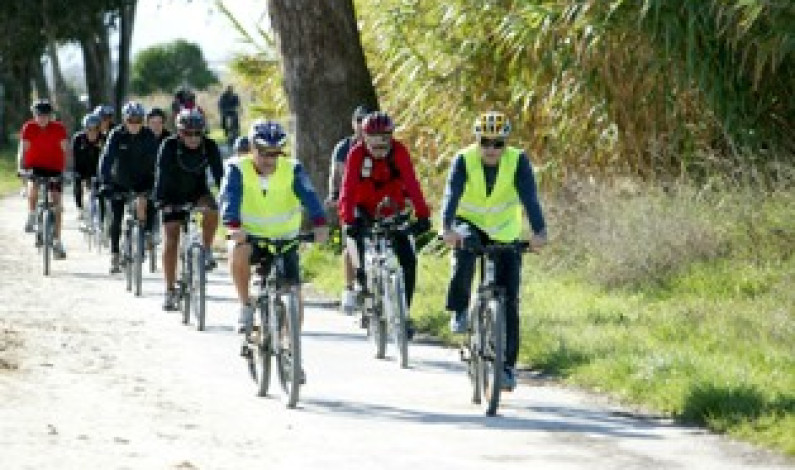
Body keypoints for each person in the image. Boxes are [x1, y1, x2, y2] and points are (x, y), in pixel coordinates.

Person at [440, 111, 547, 391]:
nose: (491, 149)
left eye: (497, 143)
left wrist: (539, 232)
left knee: (509, 300)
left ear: (505, 143)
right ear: (477, 140)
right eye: (485, 142)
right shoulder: (464, 159)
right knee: (464, 256)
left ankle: (507, 368)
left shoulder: (518, 161)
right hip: (469, 223)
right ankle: (460, 308)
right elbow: (451, 194)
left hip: (504, 231)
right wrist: (447, 227)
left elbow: (529, 197)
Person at [220, 119, 328, 334]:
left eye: (275, 153)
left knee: (294, 294)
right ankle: (245, 306)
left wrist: (320, 223)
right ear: (252, 148)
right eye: (264, 152)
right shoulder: (237, 168)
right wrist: (233, 227)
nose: (269, 159)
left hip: (285, 239)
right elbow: (229, 198)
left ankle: (291, 351)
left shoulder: (293, 169)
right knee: (237, 252)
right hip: (250, 237)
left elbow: (310, 196)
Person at [338, 111, 432, 338]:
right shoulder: (356, 154)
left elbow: (411, 182)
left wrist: (422, 215)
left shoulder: (399, 152)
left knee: (408, 258)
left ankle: (404, 314)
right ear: (364, 137)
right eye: (374, 141)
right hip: (363, 207)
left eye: (384, 140)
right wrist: (348, 219)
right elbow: (348, 190)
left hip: (392, 207)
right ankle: (361, 282)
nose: (380, 146)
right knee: (354, 240)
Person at [154, 109, 224, 311]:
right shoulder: (168, 146)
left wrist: (227, 198)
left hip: (197, 192)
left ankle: (207, 249)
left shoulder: (209, 146)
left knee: (212, 210)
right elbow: (161, 174)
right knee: (171, 237)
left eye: (197, 133)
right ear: (179, 132)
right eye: (188, 133)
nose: (193, 138)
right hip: (172, 195)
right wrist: (161, 200)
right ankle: (169, 290)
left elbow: (220, 176)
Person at [98, 101, 160, 274]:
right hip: (120, 181)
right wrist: (105, 182)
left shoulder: (149, 136)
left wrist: (160, 182)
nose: (134, 124)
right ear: (125, 120)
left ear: (143, 121)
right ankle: (115, 254)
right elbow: (106, 159)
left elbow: (158, 161)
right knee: (116, 218)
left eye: (138, 120)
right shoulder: (116, 135)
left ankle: (144, 234)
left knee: (144, 205)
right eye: (131, 120)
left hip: (143, 180)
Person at [327, 105, 370, 314]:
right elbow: (336, 175)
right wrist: (335, 196)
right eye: (359, 120)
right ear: (353, 123)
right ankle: (349, 288)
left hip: (376, 202)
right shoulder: (344, 147)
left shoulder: (383, 145)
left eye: (367, 119)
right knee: (351, 242)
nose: (363, 124)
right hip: (350, 200)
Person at [17, 99, 70, 259]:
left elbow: (66, 150)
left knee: (57, 204)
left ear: (50, 116)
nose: (42, 119)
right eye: (39, 115)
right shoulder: (29, 127)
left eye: (45, 115)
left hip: (54, 168)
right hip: (35, 167)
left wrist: (68, 170)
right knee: (33, 185)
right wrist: (21, 168)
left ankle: (57, 241)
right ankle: (32, 214)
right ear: (34, 115)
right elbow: (22, 151)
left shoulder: (59, 128)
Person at [71, 113, 104, 225]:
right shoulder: (78, 139)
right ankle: (80, 208)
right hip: (82, 169)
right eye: (89, 129)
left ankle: (103, 214)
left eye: (95, 129)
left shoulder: (104, 139)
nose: (92, 132)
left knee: (104, 190)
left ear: (99, 129)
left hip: (99, 170)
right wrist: (78, 175)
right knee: (77, 183)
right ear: (85, 129)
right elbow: (74, 159)